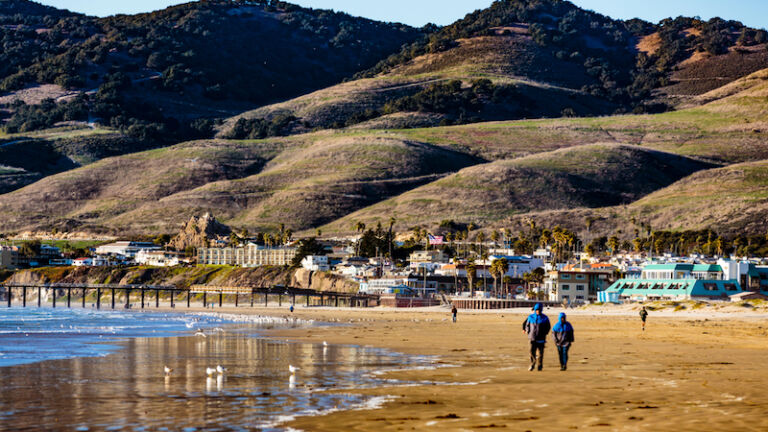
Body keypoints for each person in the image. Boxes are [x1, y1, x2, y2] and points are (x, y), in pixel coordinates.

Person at [522, 303, 551, 371]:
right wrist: (527, 331)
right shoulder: (530, 317)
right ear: (535, 310)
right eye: (537, 310)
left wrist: (545, 333)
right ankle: (532, 364)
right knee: (531, 352)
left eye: (539, 310)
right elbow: (527, 325)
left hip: (541, 339)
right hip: (532, 338)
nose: (538, 311)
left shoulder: (545, 318)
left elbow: (548, 327)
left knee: (540, 354)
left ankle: (540, 366)